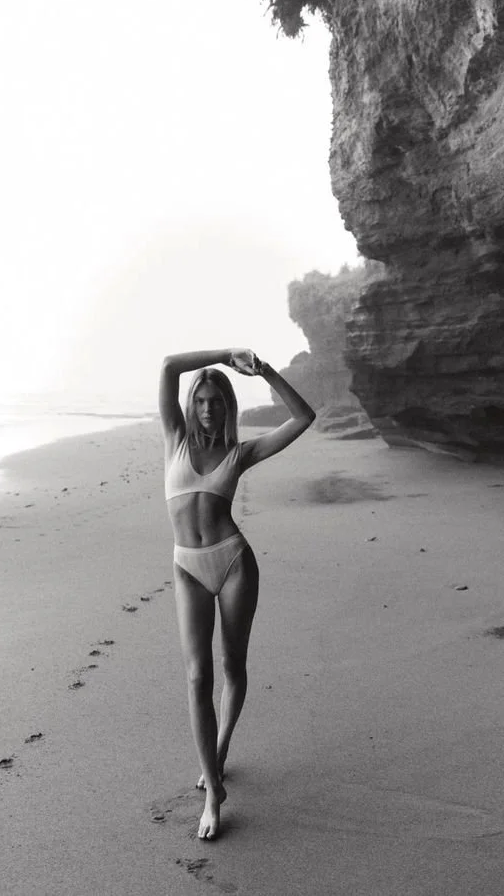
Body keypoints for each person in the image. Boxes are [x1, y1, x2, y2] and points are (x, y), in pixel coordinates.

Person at [159, 348, 316, 840]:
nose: (208, 409)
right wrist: (226, 354)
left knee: (232, 667)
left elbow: (303, 417)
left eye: (217, 402)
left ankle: (216, 773)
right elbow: (168, 366)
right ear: (191, 405)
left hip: (232, 562)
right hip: (187, 567)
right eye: (201, 401)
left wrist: (264, 370)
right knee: (195, 675)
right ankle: (215, 784)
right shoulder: (174, 440)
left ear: (228, 407)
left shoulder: (238, 452)